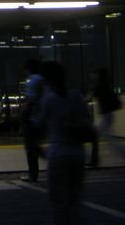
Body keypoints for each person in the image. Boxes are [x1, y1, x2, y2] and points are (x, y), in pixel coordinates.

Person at [34, 60, 93, 225]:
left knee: (57, 201)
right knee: (74, 200)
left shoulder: (49, 99)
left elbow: (38, 124)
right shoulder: (75, 96)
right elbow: (88, 124)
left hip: (58, 154)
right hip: (77, 154)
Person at [88, 67, 125, 168]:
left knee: (105, 139)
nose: (92, 75)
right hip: (108, 116)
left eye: (95, 74)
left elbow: (88, 97)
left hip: (106, 117)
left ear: (99, 76)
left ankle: (94, 160)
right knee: (109, 139)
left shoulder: (99, 87)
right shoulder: (105, 86)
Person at [19, 59, 45, 182]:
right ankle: (34, 170)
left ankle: (32, 173)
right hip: (40, 116)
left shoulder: (32, 81)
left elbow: (30, 99)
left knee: (30, 146)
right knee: (34, 144)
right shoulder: (42, 79)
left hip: (32, 117)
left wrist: (24, 110)